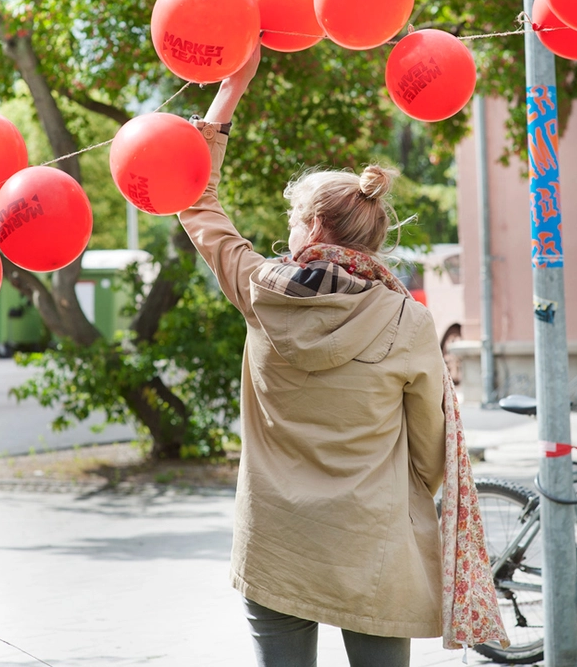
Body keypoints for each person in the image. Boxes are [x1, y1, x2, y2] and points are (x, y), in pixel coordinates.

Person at [179, 44, 507, 666]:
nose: (290, 230)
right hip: (373, 541)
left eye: (294, 219)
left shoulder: (258, 289)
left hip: (275, 540)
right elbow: (431, 448)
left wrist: (229, 92)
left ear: (313, 230)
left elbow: (196, 202)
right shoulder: (409, 321)